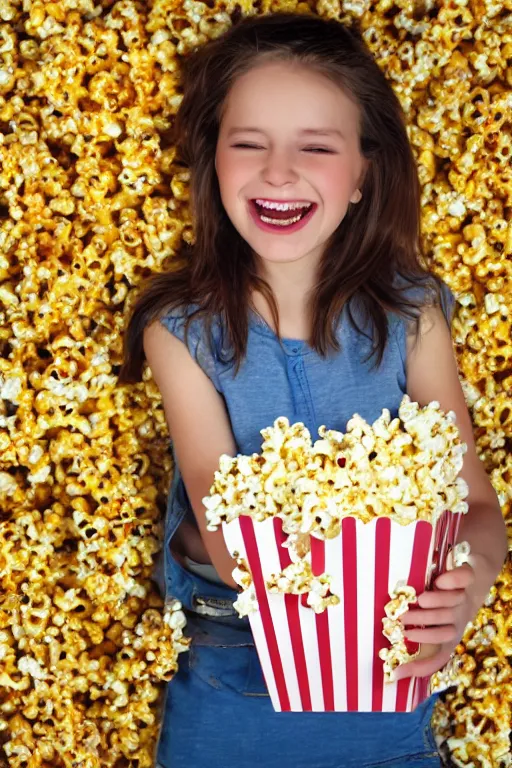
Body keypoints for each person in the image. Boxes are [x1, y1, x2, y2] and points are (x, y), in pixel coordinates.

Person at [118, 12, 507, 768]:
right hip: (235, 677)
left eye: (317, 147)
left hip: (388, 686)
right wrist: (385, 551)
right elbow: (232, 541)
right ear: (214, 164)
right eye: (249, 143)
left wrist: (470, 577)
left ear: (364, 173)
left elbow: (478, 507)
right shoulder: (183, 331)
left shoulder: (410, 316)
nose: (278, 170)